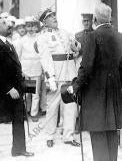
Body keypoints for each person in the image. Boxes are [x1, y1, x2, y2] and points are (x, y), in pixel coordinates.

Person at [68, 3, 122, 161]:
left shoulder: (93, 37)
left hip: (95, 96)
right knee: (111, 136)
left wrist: (75, 87)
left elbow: (86, 67)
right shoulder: (119, 36)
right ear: (110, 18)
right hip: (113, 94)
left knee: (98, 136)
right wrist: (116, 85)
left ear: (95, 19)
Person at [0, 17, 34, 161]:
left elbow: (12, 65)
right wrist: (9, 88)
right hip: (0, 91)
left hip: (15, 87)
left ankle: (19, 149)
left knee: (18, 118)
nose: (9, 24)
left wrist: (21, 73)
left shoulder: (7, 42)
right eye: (4, 23)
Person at [36, 8, 81, 148]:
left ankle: (68, 135)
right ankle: (49, 135)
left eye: (54, 15)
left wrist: (75, 46)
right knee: (53, 107)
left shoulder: (65, 32)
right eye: (50, 17)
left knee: (70, 106)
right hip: (56, 75)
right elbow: (45, 59)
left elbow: (77, 49)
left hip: (70, 73)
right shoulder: (42, 38)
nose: (54, 18)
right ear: (44, 22)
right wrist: (50, 78)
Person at [15, 16, 42, 122]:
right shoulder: (21, 40)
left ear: (36, 27)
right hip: (25, 69)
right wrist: (20, 70)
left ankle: (34, 113)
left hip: (36, 67)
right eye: (28, 26)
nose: (30, 29)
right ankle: (26, 111)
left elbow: (42, 54)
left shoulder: (39, 39)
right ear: (26, 27)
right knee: (27, 93)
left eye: (32, 26)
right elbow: (18, 56)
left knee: (35, 93)